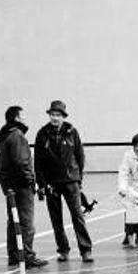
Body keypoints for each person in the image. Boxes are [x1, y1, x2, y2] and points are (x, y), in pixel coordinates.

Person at [34, 100, 93, 263]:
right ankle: (63, 249)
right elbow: (38, 161)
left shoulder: (72, 131)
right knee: (56, 219)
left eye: (58, 115)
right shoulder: (42, 133)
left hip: (71, 180)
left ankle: (86, 250)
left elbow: (80, 156)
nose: (55, 118)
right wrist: (41, 183)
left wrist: (78, 178)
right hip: (51, 182)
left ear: (63, 117)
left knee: (77, 216)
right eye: (52, 114)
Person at [0, 106, 48, 269]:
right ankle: (26, 255)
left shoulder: (4, 135)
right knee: (26, 222)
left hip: (9, 185)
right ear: (16, 118)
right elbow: (22, 162)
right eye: (23, 116)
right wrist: (31, 182)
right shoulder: (17, 136)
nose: (25, 119)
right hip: (21, 185)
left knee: (14, 220)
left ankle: (14, 255)